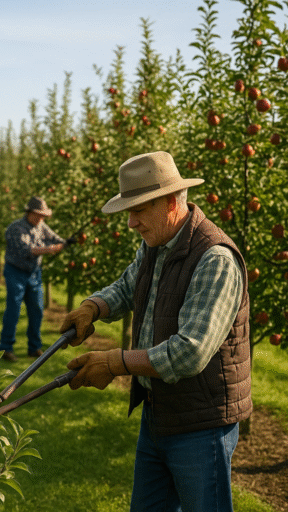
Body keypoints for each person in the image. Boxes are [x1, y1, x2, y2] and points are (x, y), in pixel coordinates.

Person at [59, 151, 251, 511]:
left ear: (170, 202)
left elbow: (189, 352)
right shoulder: (156, 244)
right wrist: (92, 307)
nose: (131, 223)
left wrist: (116, 362)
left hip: (201, 422)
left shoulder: (215, 259)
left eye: (138, 210)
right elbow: (127, 286)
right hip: (158, 414)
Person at [0, 196, 66, 362]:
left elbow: (55, 239)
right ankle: (6, 348)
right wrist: (49, 249)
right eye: (37, 214)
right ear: (29, 212)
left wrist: (65, 243)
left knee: (37, 309)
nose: (40, 218)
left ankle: (34, 347)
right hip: (15, 272)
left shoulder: (41, 226)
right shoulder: (16, 228)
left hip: (34, 272)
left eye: (43, 216)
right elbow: (27, 250)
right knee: (13, 309)